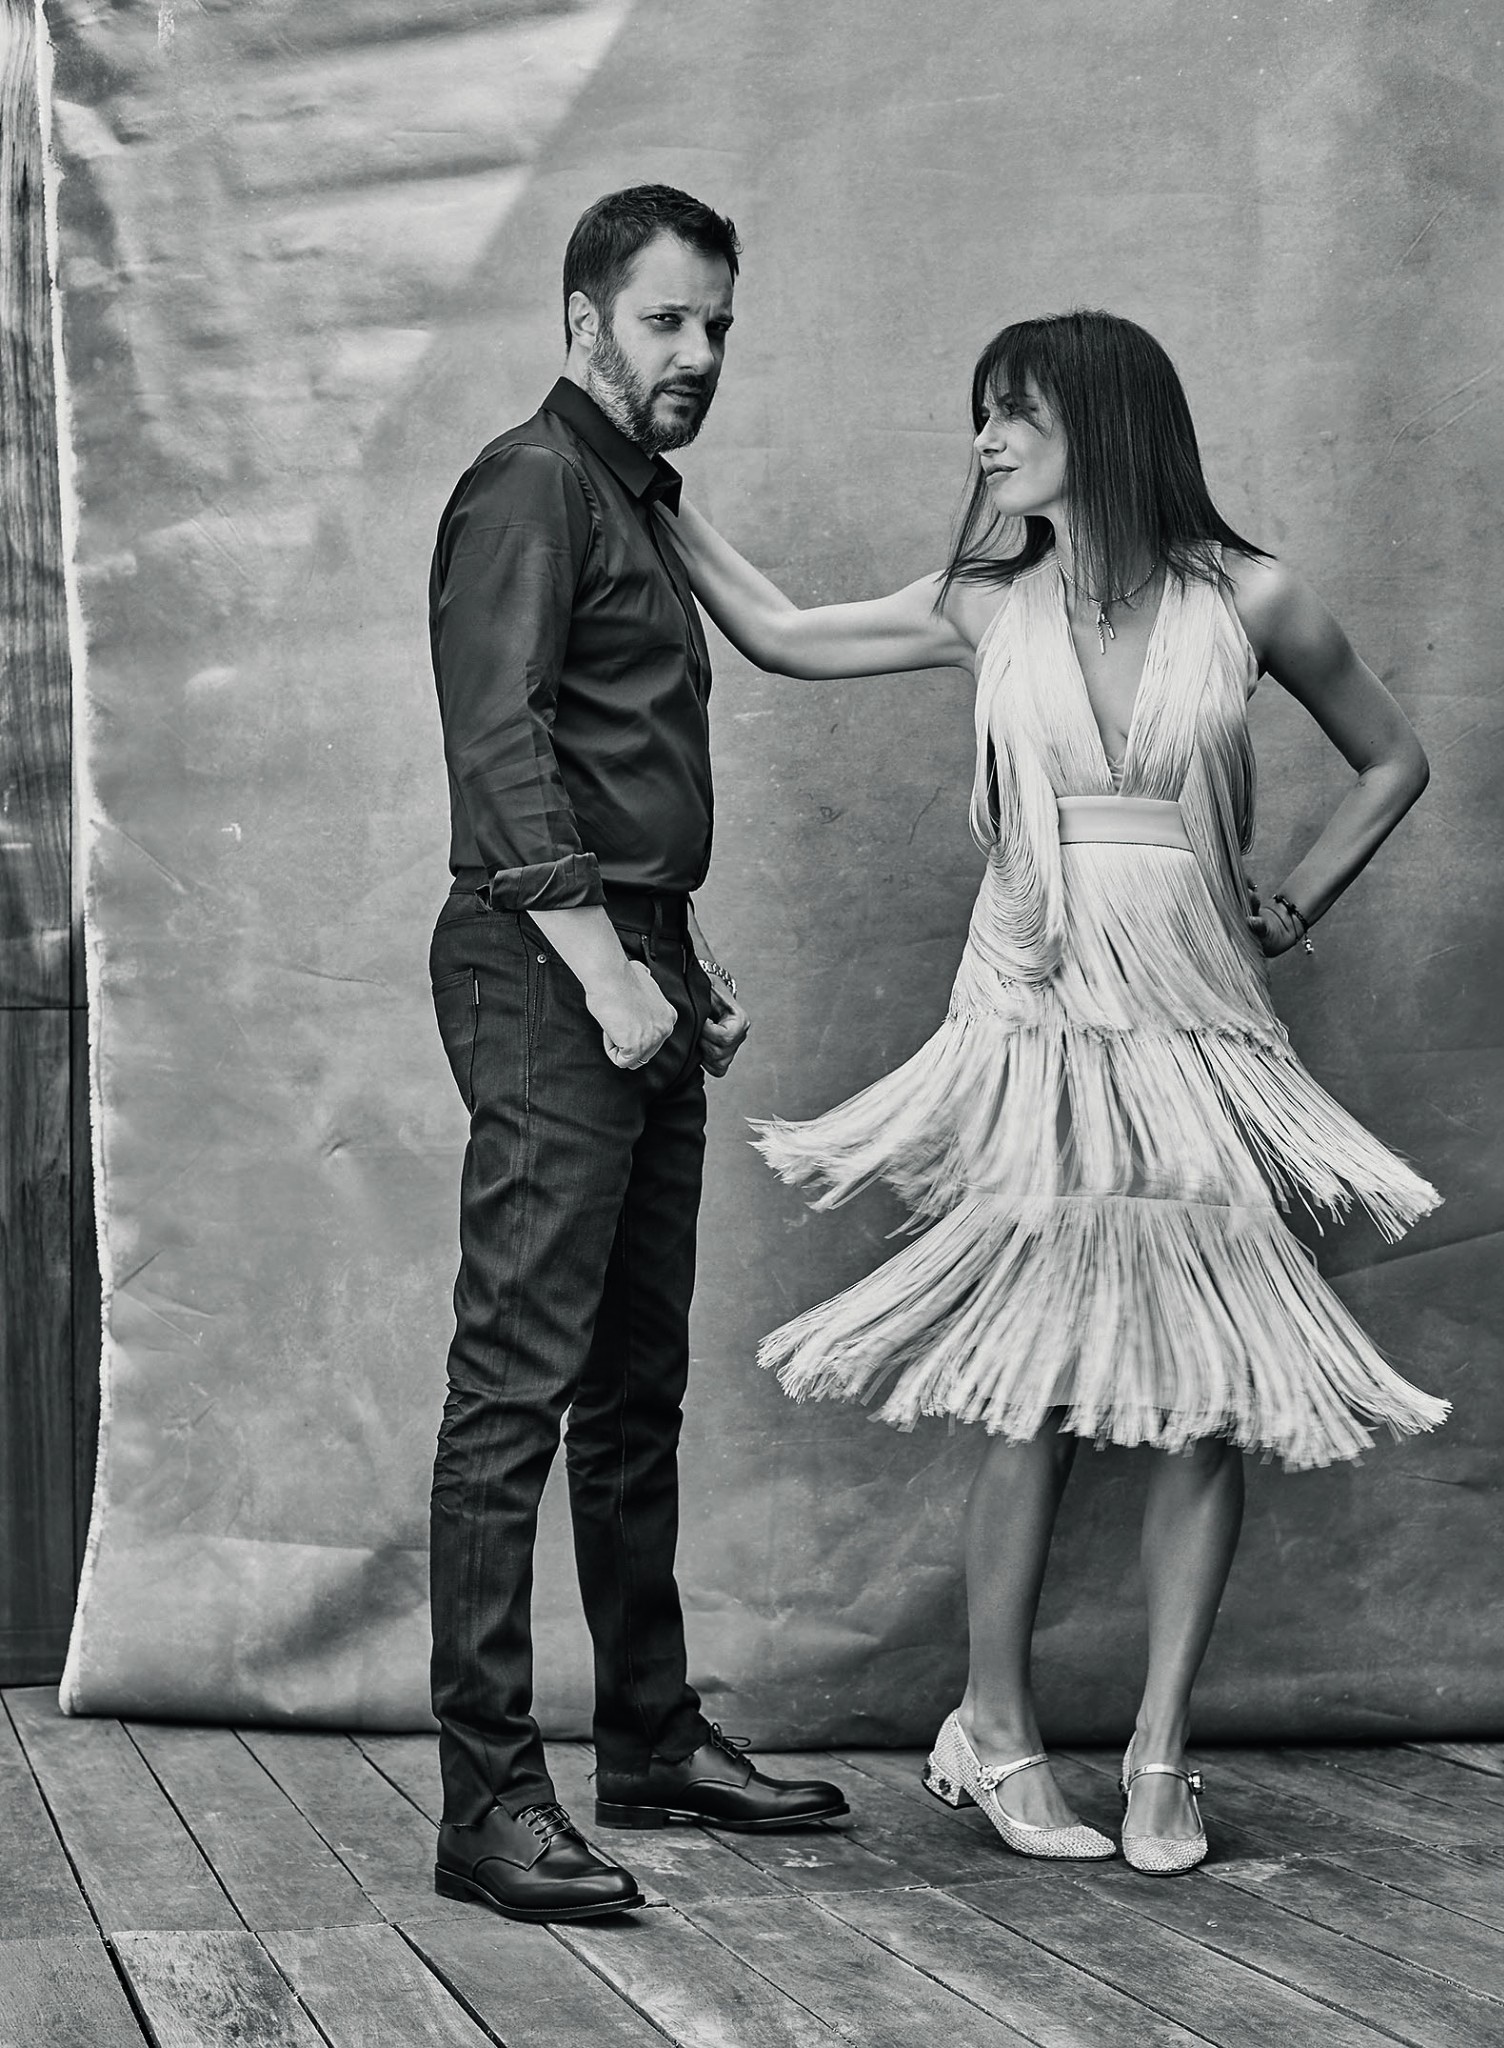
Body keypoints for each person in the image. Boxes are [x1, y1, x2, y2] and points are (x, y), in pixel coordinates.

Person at [665, 310, 1445, 1876]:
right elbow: (782, 632)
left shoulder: (1252, 597)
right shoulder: (983, 601)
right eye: (981, 414)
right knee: (1041, 1390)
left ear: (1107, 419)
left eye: (1015, 411)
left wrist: (1290, 906)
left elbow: (1393, 758)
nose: (985, 439)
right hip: (1037, 1024)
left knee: (1207, 1397)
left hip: (1197, 1027)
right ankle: (996, 1728)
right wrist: (655, 493)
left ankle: (1161, 1759)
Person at [426, 185, 848, 1926]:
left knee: (632, 1387)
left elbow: (621, 764)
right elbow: (500, 746)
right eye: (668, 321)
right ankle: (486, 1804)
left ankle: (653, 1739)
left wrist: (680, 950)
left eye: (718, 326)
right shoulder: (531, 483)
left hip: (632, 952)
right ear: (584, 319)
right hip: (550, 968)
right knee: (513, 1388)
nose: (700, 354)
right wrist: (609, 969)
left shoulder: (635, 501)